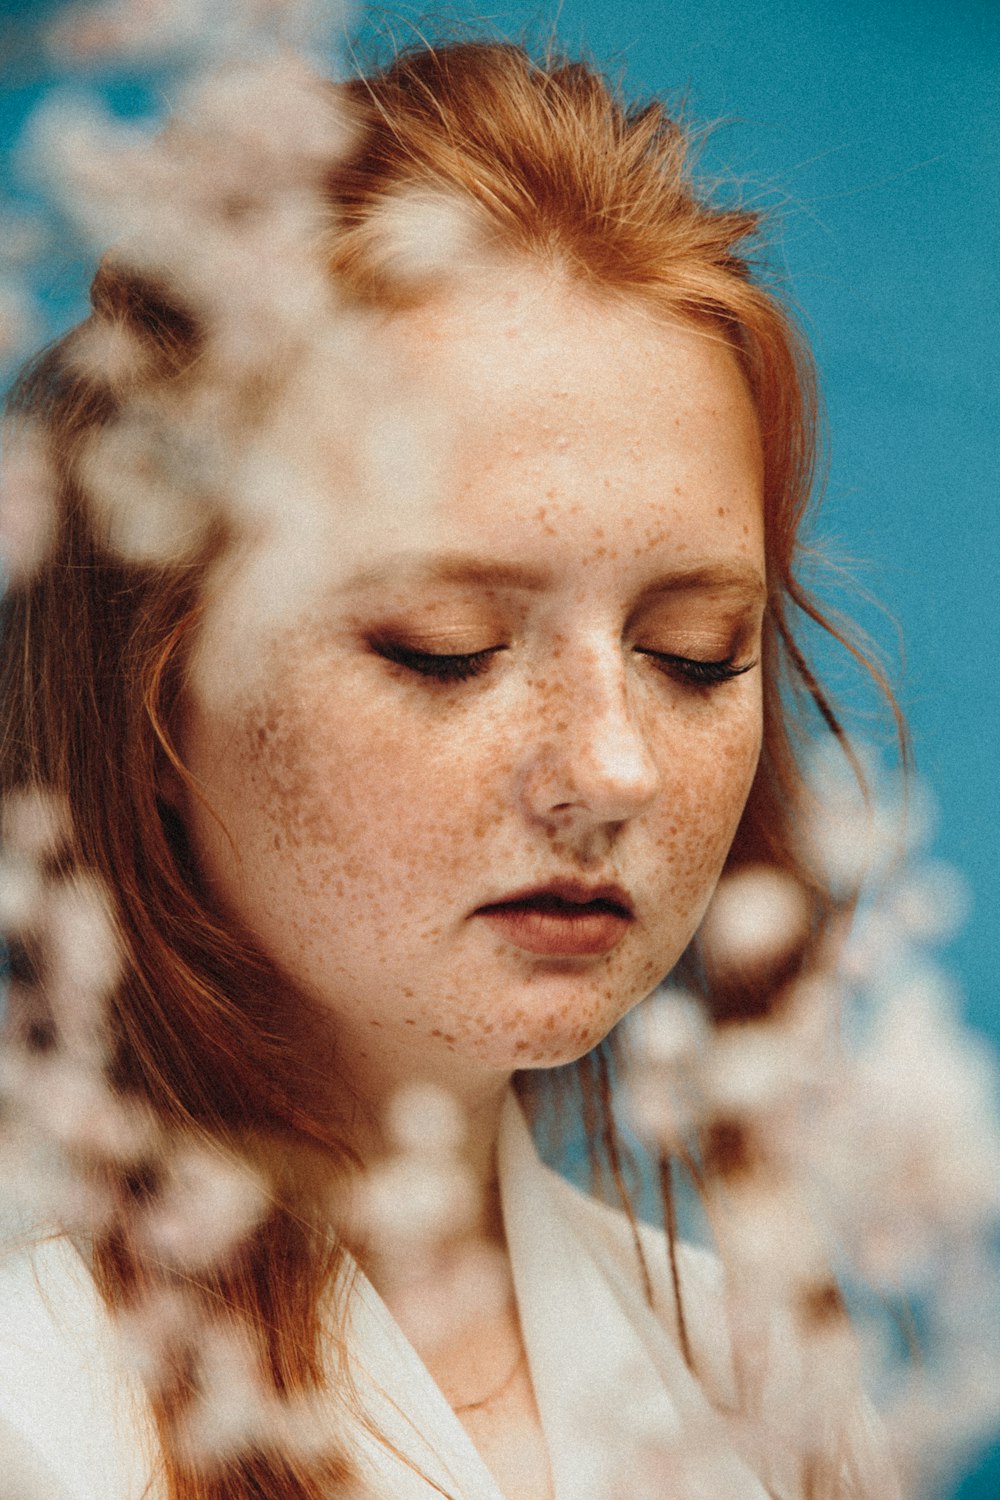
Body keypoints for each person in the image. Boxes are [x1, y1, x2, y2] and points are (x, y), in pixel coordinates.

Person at [0, 37, 902, 1500]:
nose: (610, 766)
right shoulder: (33, 1411)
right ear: (158, 697)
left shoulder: (768, 1385)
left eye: (692, 652)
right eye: (444, 646)